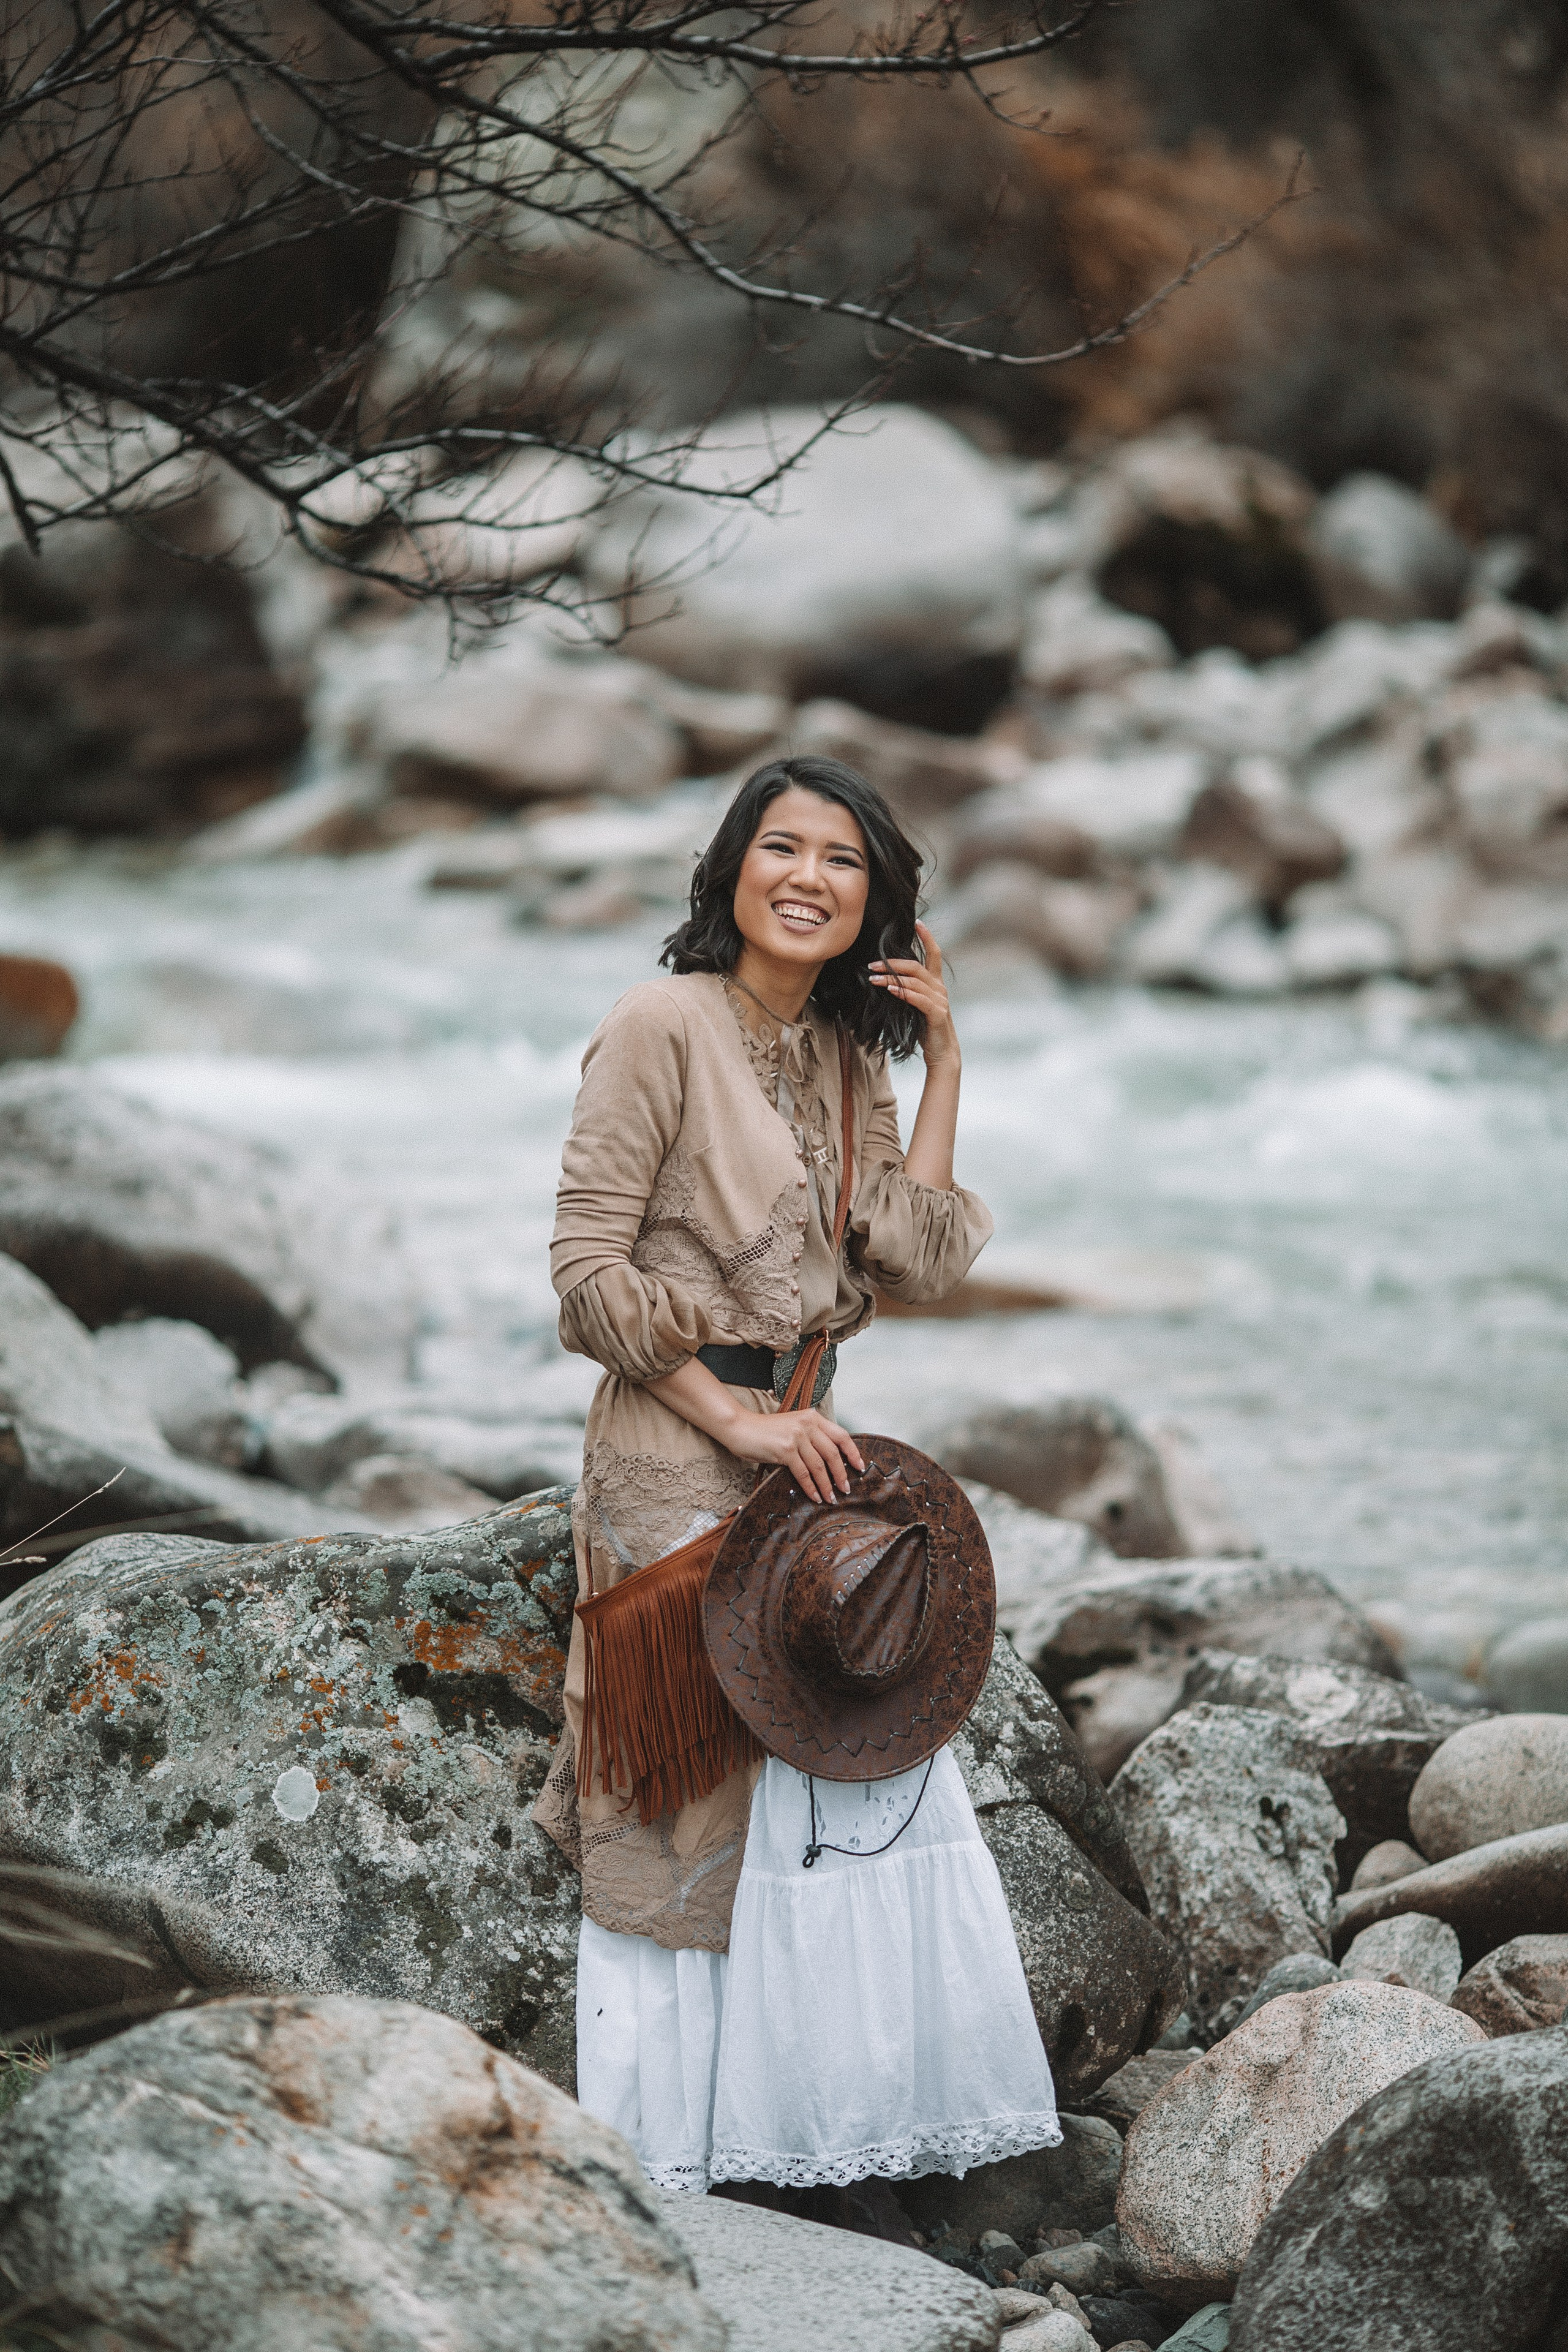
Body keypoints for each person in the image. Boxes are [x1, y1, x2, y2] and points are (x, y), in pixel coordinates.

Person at [534, 753, 1060, 2227]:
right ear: (731, 869)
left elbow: (912, 1253)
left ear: (872, 902)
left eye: (841, 860)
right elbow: (583, 1274)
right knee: (693, 1805)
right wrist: (736, 1419)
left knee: (848, 1753)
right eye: (781, 847)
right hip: (672, 1451)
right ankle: (676, 2153)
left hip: (802, 1448)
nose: (807, 878)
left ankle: (836, 2132)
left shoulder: (841, 1055)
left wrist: (940, 1057)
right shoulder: (658, 1024)